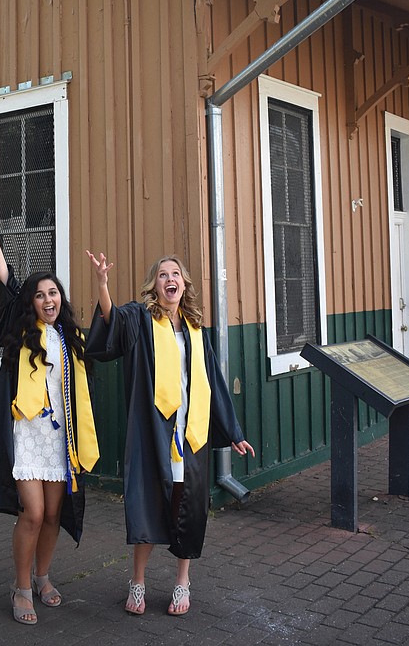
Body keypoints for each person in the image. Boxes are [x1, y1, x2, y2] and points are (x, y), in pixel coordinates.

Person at [85, 250, 255, 617]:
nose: (169, 279)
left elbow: (213, 383)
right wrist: (102, 284)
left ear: (183, 284)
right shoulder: (142, 319)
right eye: (162, 275)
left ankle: (182, 583)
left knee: (188, 509)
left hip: (189, 432)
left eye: (175, 273)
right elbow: (112, 322)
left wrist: (232, 430)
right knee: (149, 505)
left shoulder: (195, 329)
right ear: (154, 285)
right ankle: (138, 582)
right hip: (153, 431)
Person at [0, 213, 99, 625]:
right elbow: (6, 281)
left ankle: (44, 577)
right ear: (31, 303)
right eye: (40, 295)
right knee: (34, 513)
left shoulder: (70, 338)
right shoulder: (20, 334)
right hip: (27, 433)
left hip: (61, 438)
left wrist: (102, 285)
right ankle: (21, 586)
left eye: (53, 293)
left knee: (56, 515)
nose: (48, 300)